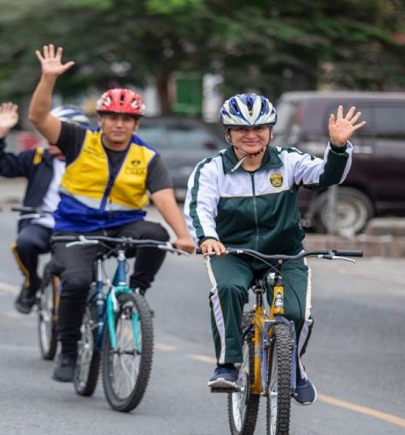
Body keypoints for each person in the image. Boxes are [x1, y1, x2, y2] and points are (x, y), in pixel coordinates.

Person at [28, 44, 196, 382]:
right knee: (77, 281)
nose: (119, 125)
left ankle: (137, 292)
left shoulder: (147, 156)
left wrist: (183, 234)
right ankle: (70, 348)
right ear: (101, 119)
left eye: (127, 119)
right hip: (75, 229)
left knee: (156, 236)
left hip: (123, 227)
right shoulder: (78, 140)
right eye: (113, 118)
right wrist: (48, 79)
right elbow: (38, 117)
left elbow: (163, 197)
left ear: (135, 124)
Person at [184, 93, 365, 404]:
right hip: (233, 254)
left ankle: (292, 363)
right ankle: (226, 366)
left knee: (297, 314)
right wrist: (207, 238)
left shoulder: (288, 160)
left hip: (284, 254)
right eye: (242, 129)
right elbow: (199, 208)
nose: (251, 135)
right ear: (228, 133)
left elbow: (326, 176)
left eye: (260, 128)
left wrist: (337, 147)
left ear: (270, 130)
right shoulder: (211, 169)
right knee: (227, 289)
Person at [0, 102, 93, 314]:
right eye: (46, 131)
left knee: (84, 271)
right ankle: (31, 283)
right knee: (23, 244)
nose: (50, 137)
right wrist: (1, 133)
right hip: (43, 222)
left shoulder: (92, 162)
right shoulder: (37, 157)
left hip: (79, 227)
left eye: (56, 132)